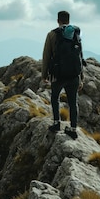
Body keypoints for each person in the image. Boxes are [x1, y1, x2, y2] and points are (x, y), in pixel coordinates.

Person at [42, 10, 84, 139]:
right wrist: (81, 77)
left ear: (58, 20)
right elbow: (80, 55)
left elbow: (46, 55)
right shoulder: (75, 33)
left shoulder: (52, 34)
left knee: (55, 97)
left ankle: (56, 122)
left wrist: (44, 75)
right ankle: (73, 128)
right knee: (73, 101)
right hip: (73, 75)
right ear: (69, 20)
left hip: (58, 74)